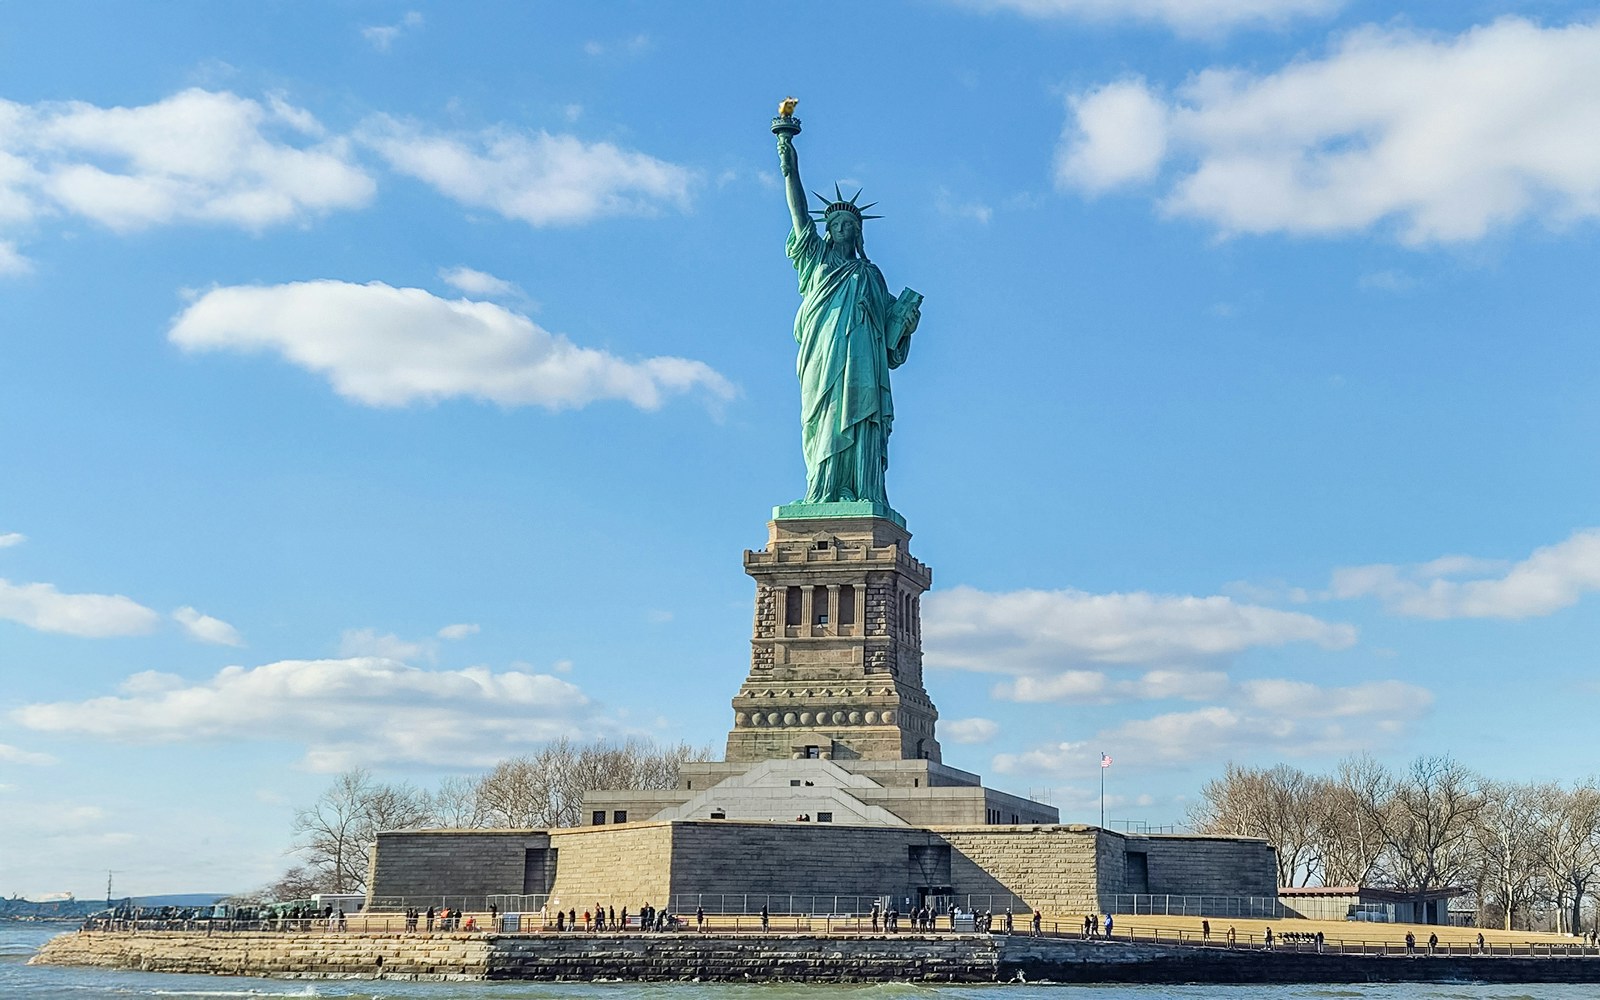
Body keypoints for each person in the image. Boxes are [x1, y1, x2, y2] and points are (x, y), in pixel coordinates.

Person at [774, 104, 921, 508]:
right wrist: (789, 162)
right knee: (824, 418)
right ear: (827, 230)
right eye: (836, 225)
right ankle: (822, 490)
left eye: (850, 227)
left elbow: (892, 338)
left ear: (857, 234)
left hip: (864, 361)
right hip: (824, 356)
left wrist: (906, 321)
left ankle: (863, 490)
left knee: (862, 420)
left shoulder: (870, 275)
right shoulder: (815, 260)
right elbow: (798, 211)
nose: (842, 230)